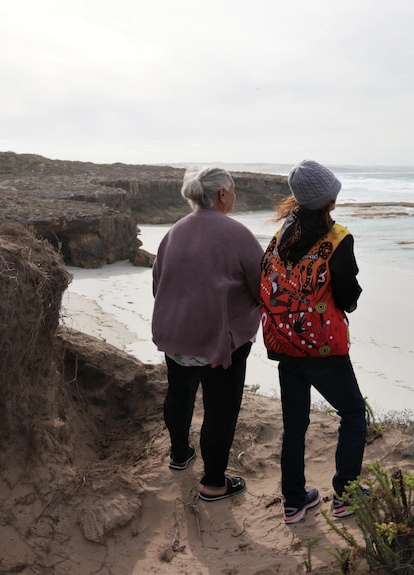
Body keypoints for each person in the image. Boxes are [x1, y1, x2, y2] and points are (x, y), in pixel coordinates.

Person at [259, 160, 368, 524]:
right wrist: (347, 303)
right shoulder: (337, 238)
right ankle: (346, 494)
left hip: (284, 341)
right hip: (322, 346)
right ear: (328, 197)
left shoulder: (281, 234)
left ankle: (294, 501)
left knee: (295, 423)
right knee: (352, 412)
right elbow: (347, 293)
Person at [152, 167, 263, 501]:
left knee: (179, 393)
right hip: (219, 342)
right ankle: (214, 482)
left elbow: (158, 283)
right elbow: (262, 287)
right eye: (234, 189)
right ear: (223, 194)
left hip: (175, 336)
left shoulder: (174, 231)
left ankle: (179, 453)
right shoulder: (236, 233)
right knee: (220, 409)